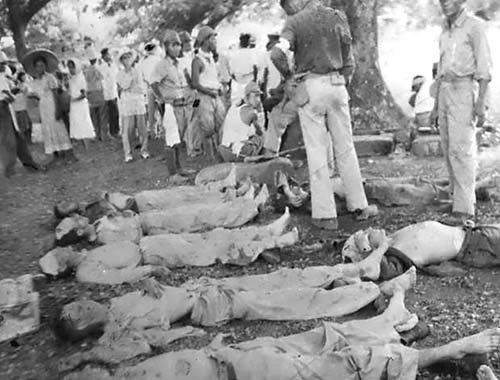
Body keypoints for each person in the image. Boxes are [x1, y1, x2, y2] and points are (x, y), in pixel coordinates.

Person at [271, 0, 377, 230]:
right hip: (337, 85)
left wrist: (290, 76)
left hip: (310, 85)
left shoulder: (296, 21)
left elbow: (277, 53)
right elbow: (349, 57)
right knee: (346, 148)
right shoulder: (337, 17)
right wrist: (343, 79)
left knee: (317, 150)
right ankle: (359, 205)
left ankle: (325, 214)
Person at [431, 0, 493, 225]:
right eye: (441, 0)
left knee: (462, 148)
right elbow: (441, 68)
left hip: (464, 89)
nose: (445, 4)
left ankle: (466, 209)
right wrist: (436, 105)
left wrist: (480, 103)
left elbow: (484, 67)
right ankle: (457, 199)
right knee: (448, 147)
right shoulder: (445, 31)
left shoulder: (474, 26)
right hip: (446, 90)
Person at [342, 219, 500, 280]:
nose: (370, 228)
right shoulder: (396, 253)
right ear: (371, 248)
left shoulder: (393, 238)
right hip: (478, 246)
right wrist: (367, 249)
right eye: (367, 234)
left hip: (474, 233)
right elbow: (378, 271)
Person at [150, 30, 190, 178]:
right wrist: (160, 98)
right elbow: (153, 83)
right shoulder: (162, 65)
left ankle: (179, 168)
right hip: (170, 106)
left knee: (178, 138)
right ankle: (172, 173)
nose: (177, 48)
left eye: (179, 45)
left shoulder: (177, 64)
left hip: (181, 104)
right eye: (174, 45)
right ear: (166, 46)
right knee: (171, 139)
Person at [28, 54, 74, 163]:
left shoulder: (50, 77)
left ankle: (67, 152)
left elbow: (55, 94)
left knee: (58, 127)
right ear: (35, 68)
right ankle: (54, 153)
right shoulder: (34, 82)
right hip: (43, 107)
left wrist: (58, 109)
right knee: (47, 129)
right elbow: (37, 96)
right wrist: (34, 96)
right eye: (38, 66)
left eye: (42, 65)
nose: (41, 68)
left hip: (52, 104)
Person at [191, 26, 226, 159]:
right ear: (205, 41)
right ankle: (210, 157)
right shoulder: (197, 60)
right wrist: (210, 92)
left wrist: (219, 88)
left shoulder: (211, 58)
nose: (215, 41)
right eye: (212, 39)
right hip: (204, 97)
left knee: (220, 123)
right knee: (207, 128)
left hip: (215, 95)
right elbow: (195, 83)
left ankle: (220, 154)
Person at [117, 50, 150, 162]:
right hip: (127, 103)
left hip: (138, 102)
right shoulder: (120, 74)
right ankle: (128, 153)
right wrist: (129, 84)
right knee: (127, 130)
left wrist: (130, 88)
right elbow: (124, 85)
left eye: (128, 57)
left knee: (142, 128)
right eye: (124, 58)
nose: (127, 60)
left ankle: (144, 150)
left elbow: (141, 88)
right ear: (121, 61)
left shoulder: (137, 71)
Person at [219, 81, 264, 162]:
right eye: (256, 96)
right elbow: (260, 132)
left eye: (259, 96)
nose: (258, 100)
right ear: (247, 97)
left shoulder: (233, 107)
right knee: (261, 137)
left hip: (224, 150)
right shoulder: (252, 113)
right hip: (239, 152)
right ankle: (254, 158)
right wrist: (260, 111)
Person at [67, 60, 96, 150]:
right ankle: (81, 144)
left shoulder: (81, 78)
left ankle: (87, 145)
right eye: (69, 67)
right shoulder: (71, 78)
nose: (71, 69)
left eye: (73, 67)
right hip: (74, 105)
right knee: (76, 123)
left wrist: (74, 100)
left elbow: (84, 95)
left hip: (80, 105)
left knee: (83, 122)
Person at [228, 33, 261, 105]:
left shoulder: (235, 54)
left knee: (238, 107)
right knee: (252, 106)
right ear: (248, 42)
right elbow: (255, 68)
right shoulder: (252, 53)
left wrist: (238, 80)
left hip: (238, 84)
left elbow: (231, 73)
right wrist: (254, 81)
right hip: (250, 82)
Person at [83, 48, 108, 141]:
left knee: (94, 115)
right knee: (102, 115)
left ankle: (97, 134)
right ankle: (103, 134)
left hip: (90, 92)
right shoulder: (97, 69)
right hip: (98, 91)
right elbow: (102, 77)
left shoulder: (86, 70)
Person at [139, 42, 162, 136]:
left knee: (151, 111)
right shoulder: (158, 60)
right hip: (159, 86)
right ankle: (163, 131)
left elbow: (142, 76)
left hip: (148, 87)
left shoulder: (143, 61)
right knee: (162, 109)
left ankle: (152, 131)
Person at [99, 48, 120, 138]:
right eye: (107, 55)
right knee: (112, 113)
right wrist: (107, 92)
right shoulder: (102, 67)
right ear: (103, 57)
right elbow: (103, 81)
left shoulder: (113, 65)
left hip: (114, 92)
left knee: (115, 113)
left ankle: (115, 130)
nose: (109, 56)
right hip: (108, 94)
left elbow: (116, 77)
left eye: (109, 54)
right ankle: (113, 132)